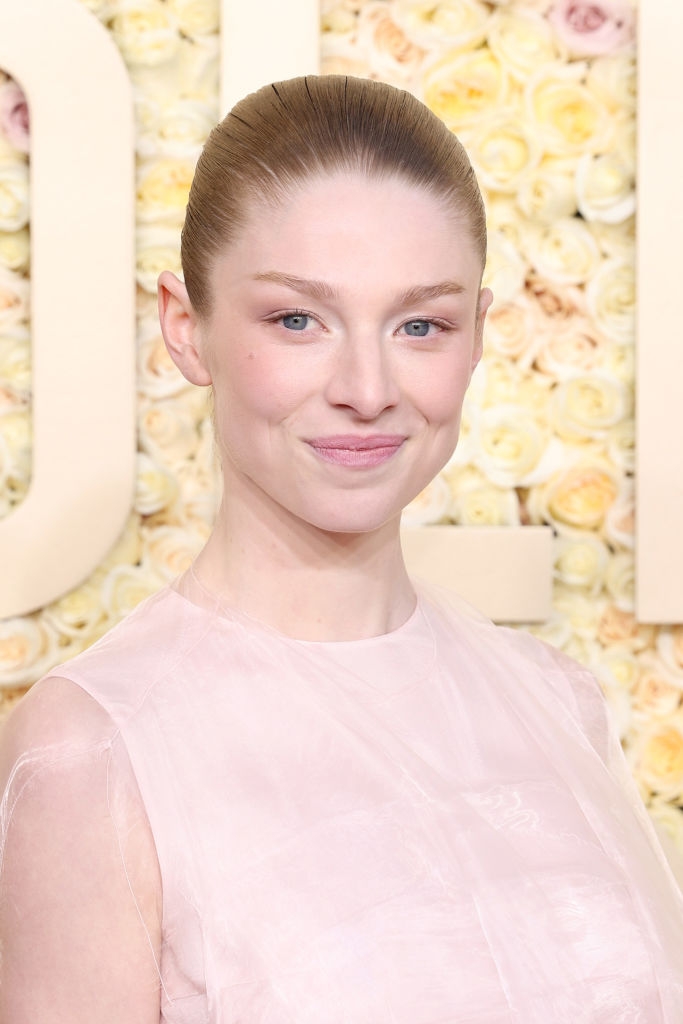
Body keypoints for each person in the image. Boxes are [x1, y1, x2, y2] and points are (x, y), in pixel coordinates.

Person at [0, 74, 682, 1023]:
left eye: (419, 325)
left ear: (478, 335)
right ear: (185, 328)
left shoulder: (554, 697)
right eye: (296, 320)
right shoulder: (95, 749)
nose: (367, 387)